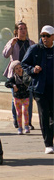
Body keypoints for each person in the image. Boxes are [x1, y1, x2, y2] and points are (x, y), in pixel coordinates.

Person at [20, 25, 53, 154]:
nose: (45, 38)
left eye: (47, 36)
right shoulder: (35, 49)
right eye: (42, 36)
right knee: (44, 115)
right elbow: (24, 63)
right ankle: (48, 143)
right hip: (40, 88)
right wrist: (33, 69)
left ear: (53, 37)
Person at [3, 22, 35, 130]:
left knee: (28, 98)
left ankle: (28, 122)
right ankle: (16, 121)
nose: (23, 31)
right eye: (20, 29)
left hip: (27, 74)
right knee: (16, 98)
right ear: (16, 31)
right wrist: (11, 44)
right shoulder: (13, 42)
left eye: (25, 28)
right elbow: (5, 54)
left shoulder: (30, 43)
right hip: (15, 74)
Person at [5, 62, 33, 135]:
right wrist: (13, 85)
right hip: (17, 97)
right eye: (16, 68)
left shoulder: (26, 76)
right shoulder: (13, 78)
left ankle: (26, 126)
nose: (19, 69)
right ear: (14, 71)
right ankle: (20, 128)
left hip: (25, 96)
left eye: (20, 67)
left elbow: (31, 82)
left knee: (25, 112)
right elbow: (7, 84)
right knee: (19, 113)